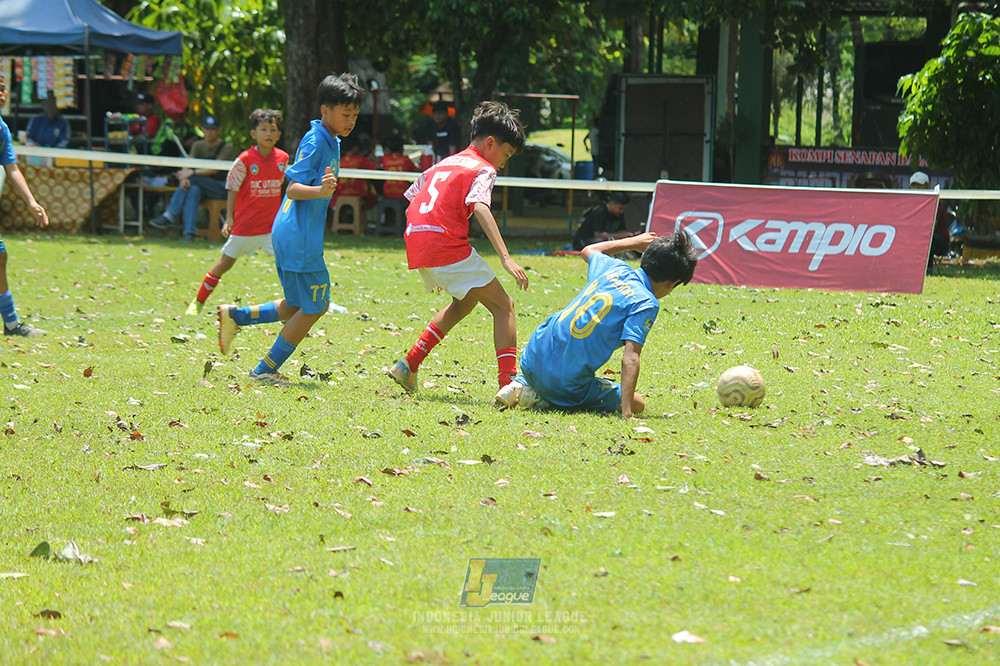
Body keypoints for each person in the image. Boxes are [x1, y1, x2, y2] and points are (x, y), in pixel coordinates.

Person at [217, 73, 366, 384]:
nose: (351, 121)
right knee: (317, 305)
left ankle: (236, 316)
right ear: (325, 111)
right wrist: (320, 191)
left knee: (297, 305)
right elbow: (292, 187)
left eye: (355, 114)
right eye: (345, 114)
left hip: (291, 232)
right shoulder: (316, 140)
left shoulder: (329, 138)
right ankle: (264, 370)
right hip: (299, 236)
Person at [387, 100, 529, 394]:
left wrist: (435, 261)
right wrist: (505, 258)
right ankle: (509, 386)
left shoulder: (444, 162)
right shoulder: (484, 168)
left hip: (418, 241)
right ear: (491, 143)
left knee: (465, 301)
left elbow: (411, 202)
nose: (504, 161)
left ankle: (408, 365)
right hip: (444, 243)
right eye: (506, 153)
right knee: (504, 307)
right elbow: (479, 207)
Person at [495, 232, 698, 418]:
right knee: (638, 403)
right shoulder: (645, 302)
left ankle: (520, 383)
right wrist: (627, 412)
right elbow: (631, 357)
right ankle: (539, 399)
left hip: (532, 357)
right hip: (563, 385)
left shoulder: (616, 268)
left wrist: (633, 243)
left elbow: (589, 250)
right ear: (670, 284)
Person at [185, 109, 289, 316]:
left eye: (272, 130)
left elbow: (283, 189)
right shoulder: (245, 160)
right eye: (263, 129)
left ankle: (296, 305)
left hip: (271, 227)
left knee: (287, 266)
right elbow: (232, 187)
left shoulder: (283, 159)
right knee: (225, 264)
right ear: (253, 133)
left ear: (278, 135)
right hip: (246, 227)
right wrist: (230, 218)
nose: (268, 134)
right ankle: (198, 302)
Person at [0, 75, 50, 337]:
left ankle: (11, 324)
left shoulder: (2, 129)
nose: (0, 93)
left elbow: (13, 169)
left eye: (3, 89)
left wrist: (31, 201)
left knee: (0, 256)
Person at [149, 115, 235, 241]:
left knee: (194, 181)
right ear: (202, 129)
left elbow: (215, 169)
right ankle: (189, 233)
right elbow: (188, 164)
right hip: (200, 186)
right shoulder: (198, 145)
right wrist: (184, 178)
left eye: (213, 129)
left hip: (220, 187)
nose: (209, 132)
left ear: (219, 130)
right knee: (192, 189)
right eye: (207, 129)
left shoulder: (226, 147)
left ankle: (171, 214)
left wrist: (191, 174)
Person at [909, 171, 952, 274]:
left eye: (920, 186)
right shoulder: (909, 202)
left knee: (927, 236)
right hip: (916, 237)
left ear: (928, 186)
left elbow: (932, 226)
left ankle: (927, 269)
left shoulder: (936, 201)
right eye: (914, 186)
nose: (917, 189)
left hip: (940, 242)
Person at [330, 133, 377, 219]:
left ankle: (341, 221)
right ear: (355, 148)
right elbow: (375, 167)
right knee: (373, 199)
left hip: (340, 193)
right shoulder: (361, 160)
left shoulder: (339, 160)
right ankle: (360, 223)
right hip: (358, 193)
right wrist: (373, 159)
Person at [376, 134, 418, 232]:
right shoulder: (406, 159)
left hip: (387, 193)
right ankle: (402, 227)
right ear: (401, 148)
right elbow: (415, 170)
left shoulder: (384, 159)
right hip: (403, 194)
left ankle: (387, 223)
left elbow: (376, 166)